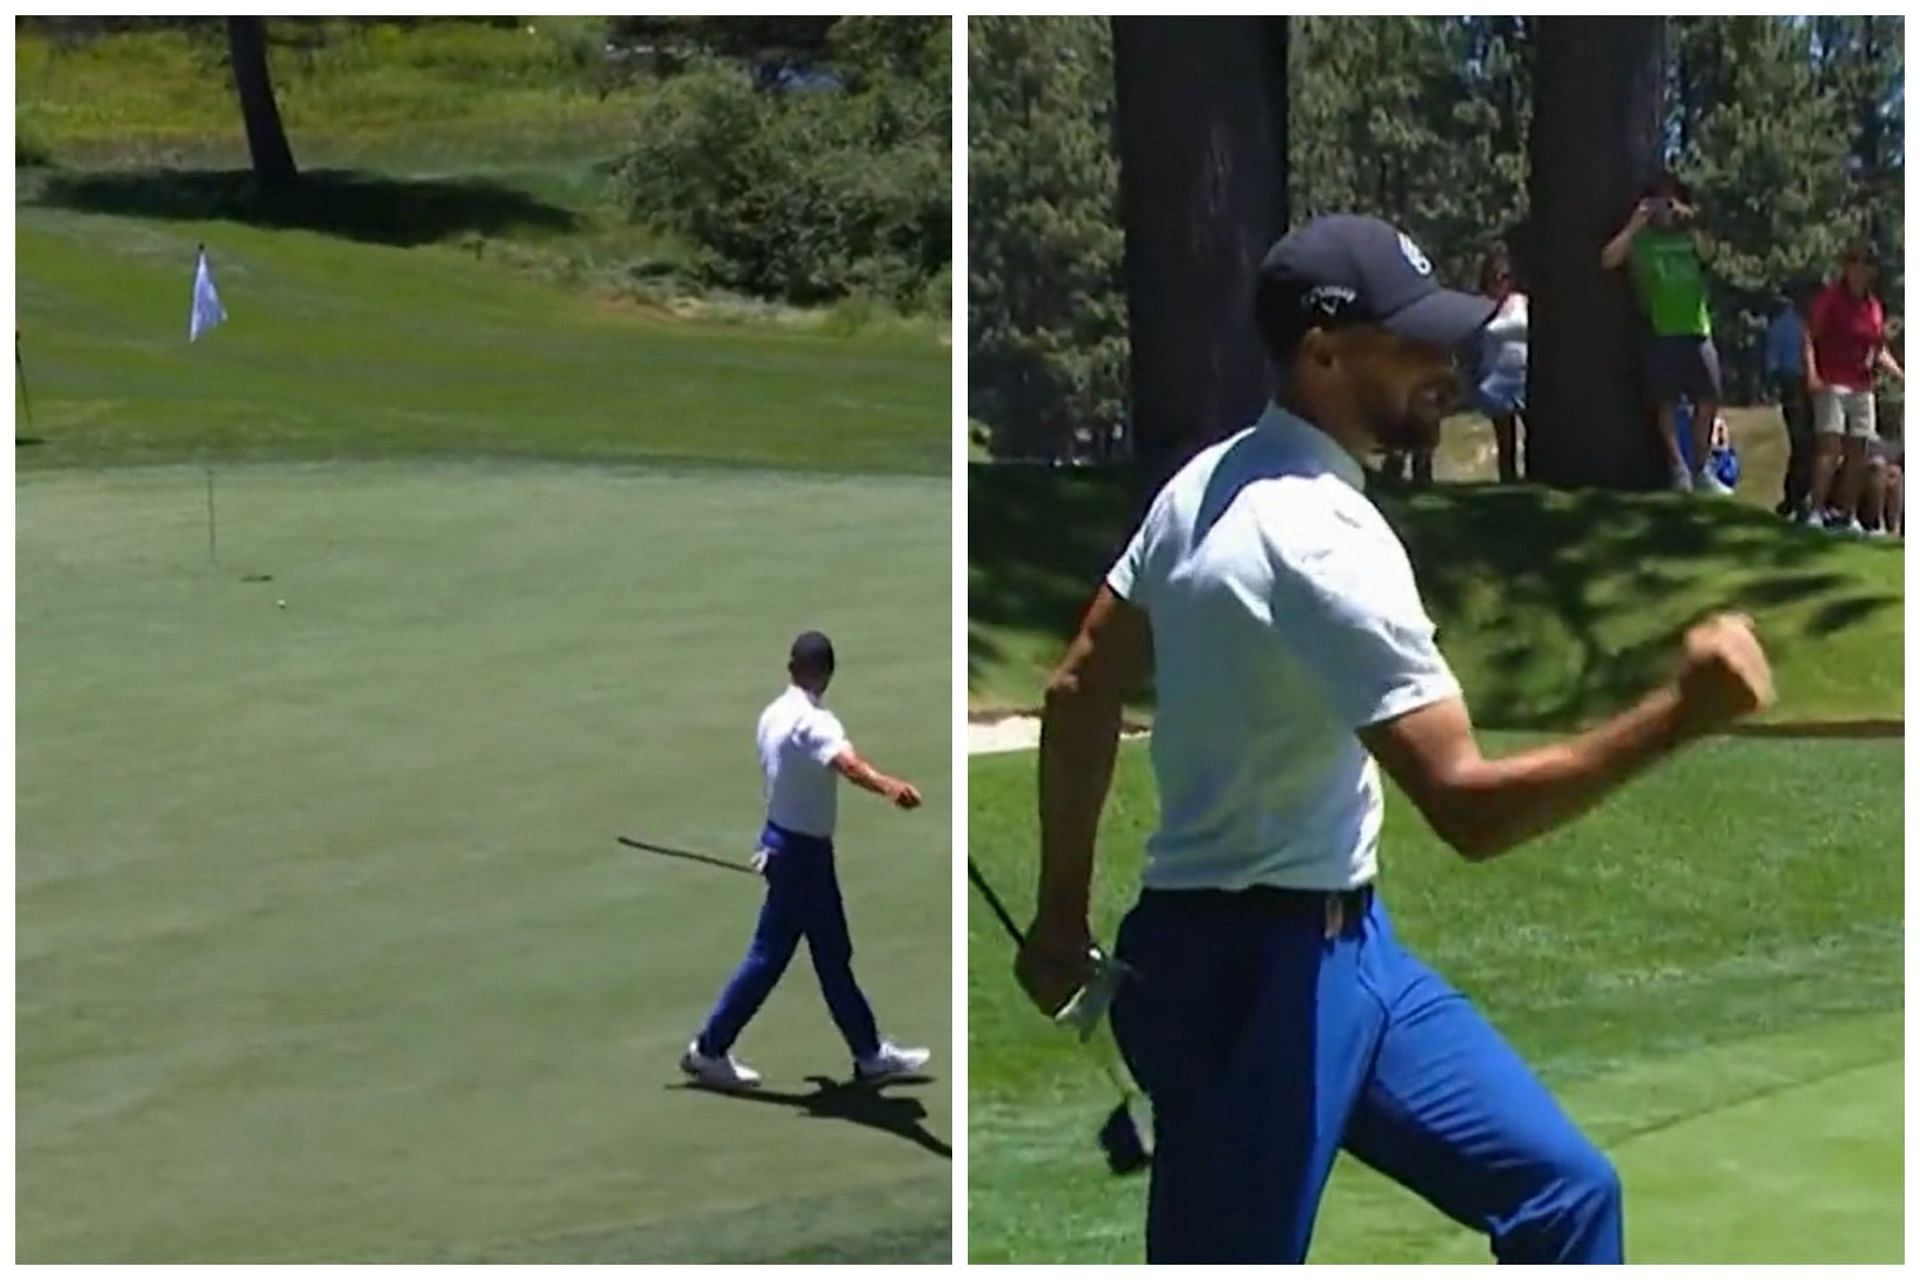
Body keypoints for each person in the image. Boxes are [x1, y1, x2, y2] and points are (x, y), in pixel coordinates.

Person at [1015, 214, 1774, 1264]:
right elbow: (1464, 804)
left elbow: (1079, 685)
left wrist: (1060, 916)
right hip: (1252, 988)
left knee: (1566, 1192)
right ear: (1322, 352)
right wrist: (1679, 714)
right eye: (1413, 341)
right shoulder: (1326, 539)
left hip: (1347, 953)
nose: (1446, 365)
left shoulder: (1205, 482)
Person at [681, 631, 931, 1089]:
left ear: (791, 666)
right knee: (771, 957)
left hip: (785, 844)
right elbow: (848, 764)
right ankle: (710, 1049)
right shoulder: (817, 722)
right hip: (803, 858)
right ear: (828, 674)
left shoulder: (772, 715)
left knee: (830, 955)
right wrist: (890, 787)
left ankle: (868, 1052)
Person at [1600, 171, 1729, 495]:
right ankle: (1677, 468)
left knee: (1709, 396)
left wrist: (1691, 220)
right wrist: (1635, 224)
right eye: (1660, 201)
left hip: (1697, 327)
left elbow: (1709, 254)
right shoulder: (1643, 240)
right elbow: (1608, 259)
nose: (1666, 209)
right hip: (1660, 328)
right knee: (1666, 403)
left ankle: (1701, 467)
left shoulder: (1690, 236)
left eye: (1671, 200)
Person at [1804, 244, 1905, 535]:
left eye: (1866, 265)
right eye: (1855, 264)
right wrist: (1812, 374)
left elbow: (1877, 348)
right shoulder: (1831, 299)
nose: (1861, 271)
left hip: (1862, 386)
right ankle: (1816, 510)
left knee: (1858, 451)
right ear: (1847, 268)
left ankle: (1847, 516)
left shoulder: (1872, 307)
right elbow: (1809, 336)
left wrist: (1900, 374)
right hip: (1832, 381)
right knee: (1829, 447)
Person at [1472, 245, 1529, 483]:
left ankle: (1534, 477)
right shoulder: (1481, 307)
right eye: (1495, 276)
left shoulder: (1523, 302)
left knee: (1535, 434)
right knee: (1505, 439)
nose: (1500, 281)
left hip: (1526, 376)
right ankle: (1508, 480)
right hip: (1496, 379)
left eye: (1505, 276)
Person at [1764, 284, 1816, 518]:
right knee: (1801, 443)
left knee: (1815, 444)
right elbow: (1773, 363)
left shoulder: (1817, 322)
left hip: (1815, 386)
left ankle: (1801, 496)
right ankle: (1795, 497)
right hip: (1793, 385)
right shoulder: (1783, 325)